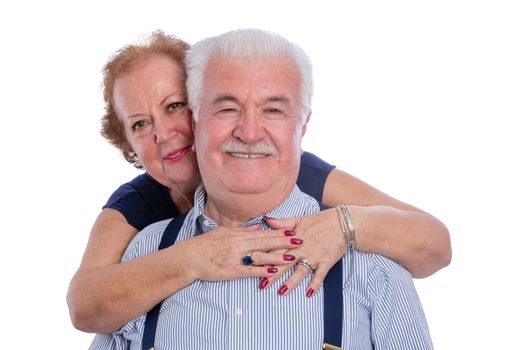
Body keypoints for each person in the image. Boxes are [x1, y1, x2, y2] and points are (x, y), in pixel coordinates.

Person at [67, 31, 450, 334]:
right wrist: (195, 256)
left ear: (200, 108)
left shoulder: (294, 169)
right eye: (140, 124)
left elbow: (434, 242)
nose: (165, 134)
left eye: (173, 107)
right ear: (129, 145)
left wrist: (343, 225)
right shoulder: (137, 212)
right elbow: (84, 305)